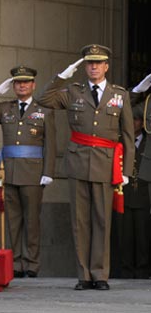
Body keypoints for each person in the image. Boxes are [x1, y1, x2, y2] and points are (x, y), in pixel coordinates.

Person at [35, 44, 134, 290]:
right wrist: (62, 76)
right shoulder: (72, 91)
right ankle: (84, 275)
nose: (93, 67)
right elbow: (43, 98)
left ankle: (100, 274)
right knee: (80, 221)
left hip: (105, 163)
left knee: (102, 220)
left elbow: (128, 135)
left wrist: (127, 170)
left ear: (106, 66)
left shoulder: (119, 95)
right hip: (78, 162)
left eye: (98, 63)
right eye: (89, 63)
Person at [0, 66, 56, 278]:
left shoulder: (44, 110)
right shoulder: (5, 108)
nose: (22, 85)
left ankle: (32, 264)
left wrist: (48, 171)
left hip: (33, 173)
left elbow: (51, 144)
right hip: (10, 171)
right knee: (13, 221)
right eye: (17, 82)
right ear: (13, 86)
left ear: (33, 85)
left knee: (32, 221)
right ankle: (18, 263)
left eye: (26, 82)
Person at [120, 108, 149, 278]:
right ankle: (125, 270)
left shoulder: (148, 142)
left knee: (143, 235)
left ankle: (143, 271)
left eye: (137, 119)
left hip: (144, 196)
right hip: (124, 195)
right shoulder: (120, 141)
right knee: (125, 235)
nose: (134, 123)